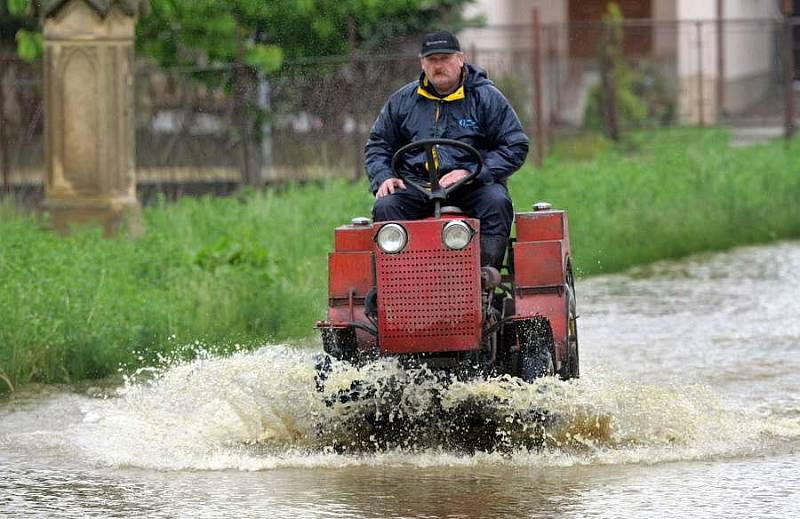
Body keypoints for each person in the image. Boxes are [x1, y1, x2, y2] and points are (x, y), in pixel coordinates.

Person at [365, 30, 530, 269]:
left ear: (460, 59)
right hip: (416, 184)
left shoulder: (486, 97)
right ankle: (397, 282)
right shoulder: (402, 101)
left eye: (445, 58)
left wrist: (472, 171)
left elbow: (515, 145)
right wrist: (384, 176)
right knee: (386, 206)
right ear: (423, 63)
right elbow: (378, 145)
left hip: (473, 184)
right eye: (432, 60)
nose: (439, 65)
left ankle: (485, 277)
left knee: (497, 202)